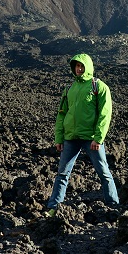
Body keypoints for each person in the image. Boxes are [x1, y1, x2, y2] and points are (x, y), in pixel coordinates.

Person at [45, 53, 119, 217]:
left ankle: (113, 205)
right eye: (76, 66)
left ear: (88, 67)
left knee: (103, 172)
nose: (78, 69)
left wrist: (98, 138)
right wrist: (59, 138)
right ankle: (53, 207)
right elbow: (62, 114)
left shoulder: (98, 87)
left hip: (91, 138)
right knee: (62, 174)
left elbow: (104, 115)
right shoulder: (70, 88)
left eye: (81, 66)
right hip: (70, 138)